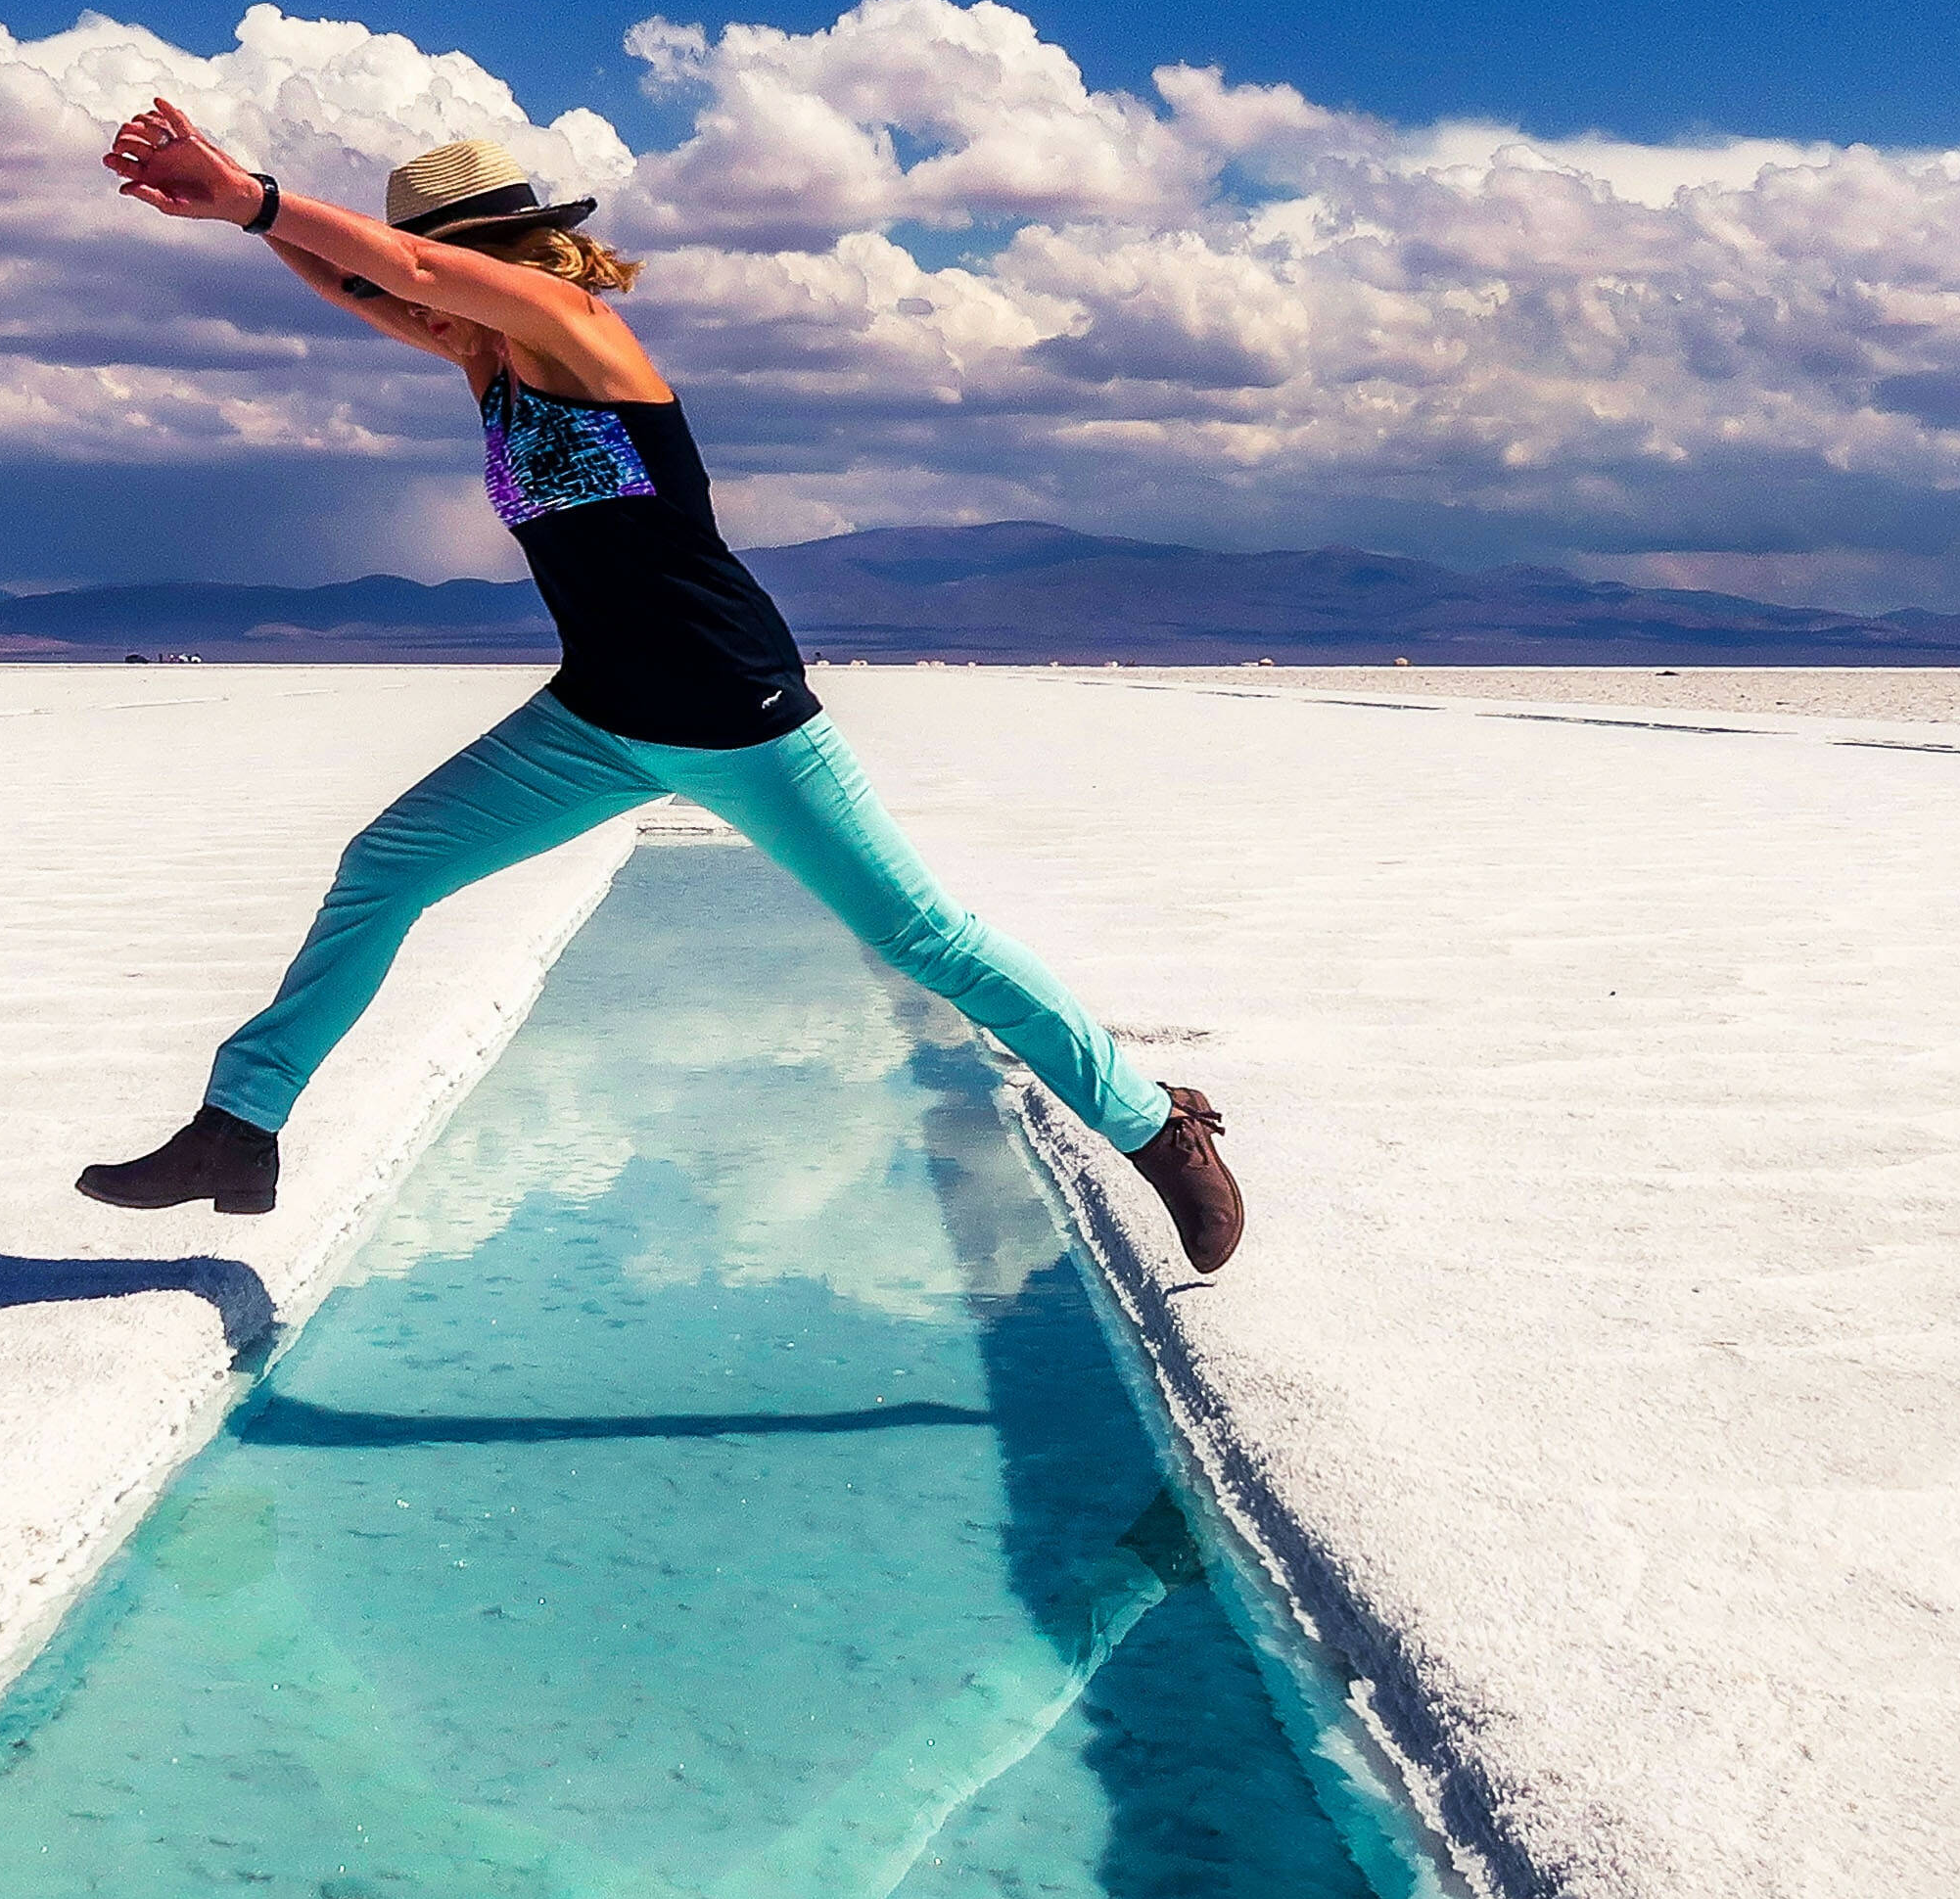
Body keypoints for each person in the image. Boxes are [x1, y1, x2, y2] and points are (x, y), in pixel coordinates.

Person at [70, 100, 1244, 1274]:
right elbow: (358, 285)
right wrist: (245, 207)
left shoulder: (573, 325)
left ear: (497, 253)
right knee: (384, 868)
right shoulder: (484, 359)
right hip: (597, 718)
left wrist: (255, 200)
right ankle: (240, 1129)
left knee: (924, 937)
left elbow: (408, 266)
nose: (404, 300)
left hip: (735, 709)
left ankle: (1155, 1125)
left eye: (433, 268)